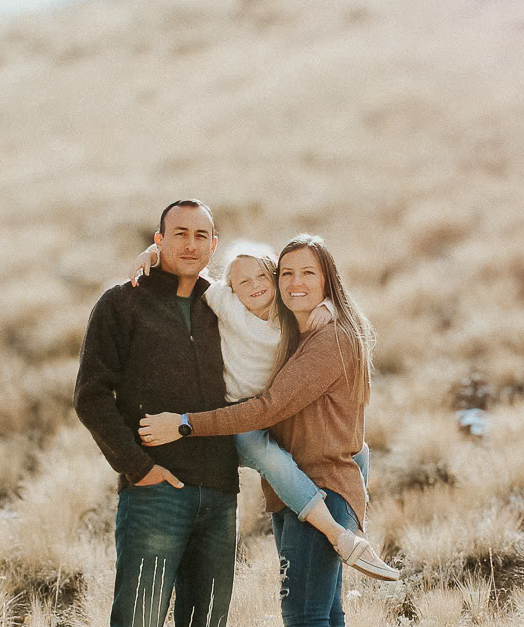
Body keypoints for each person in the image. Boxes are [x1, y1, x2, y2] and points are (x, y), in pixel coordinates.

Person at [141, 234, 378, 627]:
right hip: (302, 485)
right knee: (328, 618)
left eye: (307, 273)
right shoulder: (305, 331)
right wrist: (156, 260)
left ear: (328, 278)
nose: (294, 283)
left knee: (305, 620)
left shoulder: (329, 339)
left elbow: (266, 408)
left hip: (323, 484)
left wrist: (186, 424)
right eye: (287, 273)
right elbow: (221, 291)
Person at [131, 238, 399, 581]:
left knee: (353, 450)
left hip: (265, 415)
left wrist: (329, 307)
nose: (255, 286)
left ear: (274, 279)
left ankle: (351, 527)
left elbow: (317, 302)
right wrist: (154, 254)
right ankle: (338, 534)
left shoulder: (289, 317)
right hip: (235, 417)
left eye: (263, 276)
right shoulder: (225, 302)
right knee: (268, 456)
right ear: (232, 288)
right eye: (244, 281)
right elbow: (188, 269)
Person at [74, 199, 239, 627]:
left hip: (220, 494)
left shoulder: (227, 308)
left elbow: (284, 297)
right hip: (154, 496)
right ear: (160, 238)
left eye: (202, 235)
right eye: (179, 233)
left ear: (214, 246)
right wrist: (138, 468)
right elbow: (92, 397)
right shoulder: (123, 304)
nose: (190, 243)